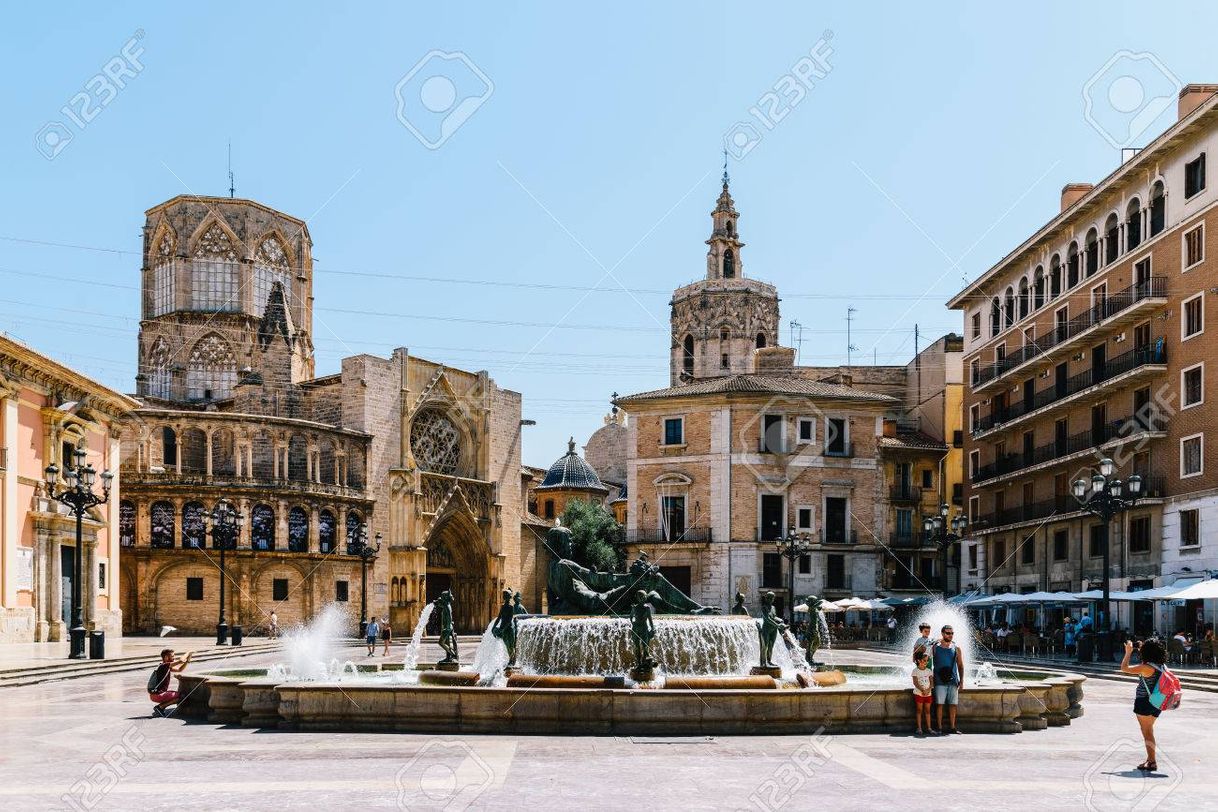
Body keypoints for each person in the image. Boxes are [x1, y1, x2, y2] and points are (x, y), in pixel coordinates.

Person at [1121, 638, 1168, 772]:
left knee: (1147, 732)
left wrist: (1128, 652)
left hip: (1144, 702)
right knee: (1148, 730)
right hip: (1157, 702)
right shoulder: (1161, 665)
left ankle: (1152, 762)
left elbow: (1124, 668)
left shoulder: (1146, 668)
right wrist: (1142, 647)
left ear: (1146, 653)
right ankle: (1149, 758)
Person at [932, 625, 966, 735]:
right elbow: (925, 659)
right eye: (947, 633)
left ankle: (952, 727)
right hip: (939, 680)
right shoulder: (935, 647)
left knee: (953, 704)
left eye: (952, 633)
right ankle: (939, 728)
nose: (950, 635)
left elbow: (960, 666)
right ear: (942, 633)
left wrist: (961, 681)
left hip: (953, 680)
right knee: (939, 704)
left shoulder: (956, 648)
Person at [148, 648, 192, 717]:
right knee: (182, 696)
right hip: (158, 695)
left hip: (154, 694)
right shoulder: (164, 666)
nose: (174, 658)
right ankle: (160, 707)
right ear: (166, 657)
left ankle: (160, 708)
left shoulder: (163, 666)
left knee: (177, 695)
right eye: (172, 656)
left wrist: (187, 661)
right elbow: (180, 661)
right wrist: (188, 652)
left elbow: (180, 669)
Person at [911, 646, 934, 736]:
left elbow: (932, 682)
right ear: (919, 661)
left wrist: (928, 689)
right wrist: (922, 690)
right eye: (924, 660)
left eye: (927, 661)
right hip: (919, 693)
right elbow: (915, 682)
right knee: (919, 710)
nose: (926, 662)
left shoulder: (929, 671)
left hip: (928, 694)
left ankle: (929, 728)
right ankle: (919, 728)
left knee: (928, 711)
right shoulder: (915, 671)